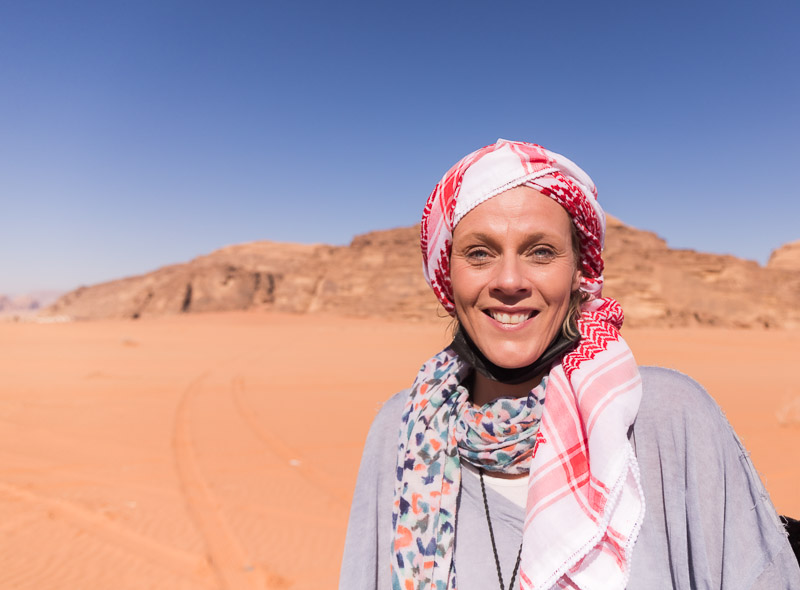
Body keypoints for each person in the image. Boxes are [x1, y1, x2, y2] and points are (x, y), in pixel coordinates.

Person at [339, 139, 800, 589]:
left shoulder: (662, 418)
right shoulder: (399, 430)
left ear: (581, 273)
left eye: (541, 251)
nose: (510, 281)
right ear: (447, 274)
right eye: (479, 253)